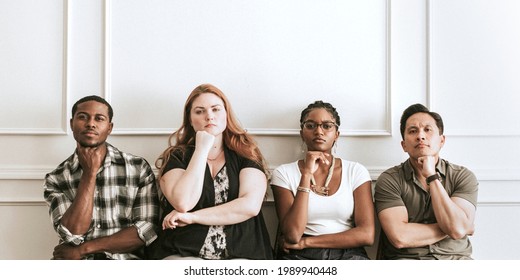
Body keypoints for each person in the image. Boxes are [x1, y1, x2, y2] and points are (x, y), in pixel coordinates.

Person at [148, 84, 273, 260]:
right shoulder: (177, 156)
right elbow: (183, 203)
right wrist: (201, 149)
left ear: (226, 114)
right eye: (199, 112)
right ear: (190, 120)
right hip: (184, 251)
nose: (209, 116)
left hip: (243, 252)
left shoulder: (246, 154)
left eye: (216, 109)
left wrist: (192, 218)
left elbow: (249, 206)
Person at [43, 95, 160, 260]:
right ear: (71, 124)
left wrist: (84, 249)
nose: (91, 123)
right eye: (83, 117)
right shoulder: (56, 179)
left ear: (109, 127)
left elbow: (146, 231)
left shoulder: (137, 168)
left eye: (99, 118)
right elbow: (72, 235)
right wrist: (90, 174)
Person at [270, 101, 375, 260]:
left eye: (327, 126)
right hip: (300, 257)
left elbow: (366, 235)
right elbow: (292, 235)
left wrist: (306, 242)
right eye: (311, 125)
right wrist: (306, 175)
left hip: (349, 254)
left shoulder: (355, 171)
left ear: (336, 134)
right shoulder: (284, 173)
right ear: (302, 133)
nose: (319, 131)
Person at [374, 103, 478, 260]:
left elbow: (457, 229)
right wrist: (455, 227)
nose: (420, 136)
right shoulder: (390, 179)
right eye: (413, 131)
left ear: (442, 140)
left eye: (427, 130)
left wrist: (431, 176)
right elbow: (400, 237)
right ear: (404, 145)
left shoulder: (462, 176)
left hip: (456, 260)